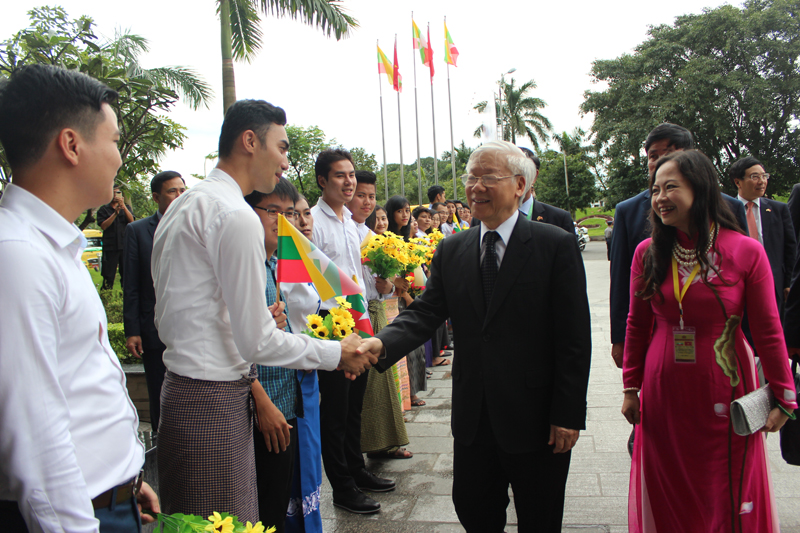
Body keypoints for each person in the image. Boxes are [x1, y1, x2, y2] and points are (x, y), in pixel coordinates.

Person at [151, 101, 373, 523]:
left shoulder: (186, 203)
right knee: (227, 523)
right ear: (250, 141)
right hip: (213, 398)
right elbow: (256, 340)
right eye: (282, 147)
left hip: (180, 393)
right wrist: (335, 352)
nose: (286, 162)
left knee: (194, 523)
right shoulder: (235, 215)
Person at [359, 141, 592, 532]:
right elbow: (426, 312)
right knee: (474, 510)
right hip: (474, 419)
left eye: (488, 178)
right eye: (470, 177)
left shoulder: (554, 245)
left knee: (541, 517)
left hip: (537, 420)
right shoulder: (453, 249)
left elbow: (574, 338)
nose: (475, 187)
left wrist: (567, 415)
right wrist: (380, 343)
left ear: (520, 184)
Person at [0, 63, 159, 531]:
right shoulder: (19, 255)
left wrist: (125, 477)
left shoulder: (53, 244)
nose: (119, 158)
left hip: (106, 499)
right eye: (112, 141)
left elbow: (77, 385)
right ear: (71, 145)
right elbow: (34, 436)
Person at [621, 149, 797, 532]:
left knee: (725, 487)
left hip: (727, 383)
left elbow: (768, 329)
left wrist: (785, 396)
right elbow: (637, 324)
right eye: (655, 190)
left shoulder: (746, 252)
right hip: (664, 386)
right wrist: (631, 387)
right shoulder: (647, 253)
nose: (660, 197)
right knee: (669, 484)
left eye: (671, 188)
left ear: (699, 190)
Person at [608, 123, 748, 369]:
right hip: (655, 333)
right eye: (653, 156)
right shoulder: (627, 211)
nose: (662, 160)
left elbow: (742, 280)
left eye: (670, 152)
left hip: (719, 339)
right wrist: (620, 339)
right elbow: (621, 280)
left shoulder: (729, 207)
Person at [311, 149, 394, 514]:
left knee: (354, 408)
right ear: (322, 181)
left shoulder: (351, 223)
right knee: (335, 412)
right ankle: (342, 488)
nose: (349, 182)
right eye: (340, 176)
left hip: (358, 324)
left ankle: (357, 471)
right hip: (331, 328)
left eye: (351, 176)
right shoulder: (313, 221)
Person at [244, 179, 302, 533]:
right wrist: (260, 401)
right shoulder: (244, 263)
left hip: (284, 397)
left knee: (278, 500)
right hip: (258, 405)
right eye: (272, 211)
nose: (282, 221)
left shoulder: (276, 262)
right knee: (261, 507)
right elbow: (229, 340)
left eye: (289, 213)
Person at [348, 172, 412, 461]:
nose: (367, 202)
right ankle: (366, 449)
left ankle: (386, 442)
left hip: (375, 314)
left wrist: (387, 287)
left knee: (384, 382)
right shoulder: (343, 230)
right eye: (361, 195)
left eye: (371, 197)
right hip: (353, 318)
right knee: (366, 390)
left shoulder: (374, 238)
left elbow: (385, 285)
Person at [123, 170, 186, 431]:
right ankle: (163, 451)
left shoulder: (194, 226)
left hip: (188, 327)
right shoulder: (137, 231)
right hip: (153, 330)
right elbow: (131, 284)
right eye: (173, 191)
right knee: (160, 396)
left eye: (183, 190)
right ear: (156, 197)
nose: (180, 196)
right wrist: (132, 330)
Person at [282, 194, 324, 532]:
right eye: (292, 215)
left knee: (309, 456)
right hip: (284, 373)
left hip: (307, 368)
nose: (303, 222)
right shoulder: (273, 262)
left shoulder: (305, 257)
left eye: (305, 214)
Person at [729, 156, 795, 319]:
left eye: (764, 176)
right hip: (736, 282)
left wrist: (788, 283)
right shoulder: (726, 210)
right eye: (755, 177)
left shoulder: (779, 209)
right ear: (738, 182)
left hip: (773, 282)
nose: (762, 181)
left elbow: (790, 248)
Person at [518, 147, 574, 233]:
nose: (514, 179)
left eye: (520, 172)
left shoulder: (559, 219)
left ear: (534, 176)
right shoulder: (492, 219)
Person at [96, 184, 134, 288]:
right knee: (108, 275)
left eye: (117, 193)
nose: (115, 196)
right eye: (113, 193)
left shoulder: (126, 207)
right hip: (110, 246)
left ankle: (125, 297)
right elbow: (103, 226)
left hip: (124, 245)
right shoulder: (103, 209)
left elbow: (132, 221)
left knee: (127, 274)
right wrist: (115, 213)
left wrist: (123, 207)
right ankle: (106, 297)